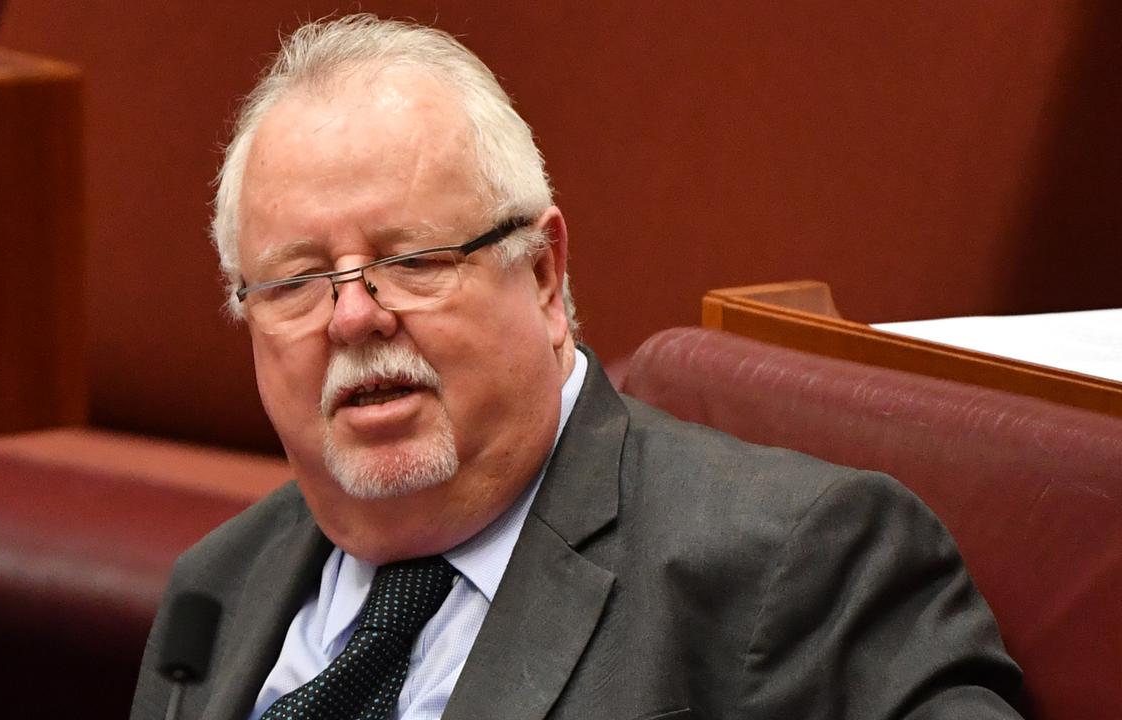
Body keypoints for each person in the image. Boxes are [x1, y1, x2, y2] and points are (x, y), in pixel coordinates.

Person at [130, 15, 1022, 720]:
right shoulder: (219, 586)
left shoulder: (793, 563)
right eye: (297, 282)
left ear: (544, 275)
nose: (355, 314)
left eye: (413, 261)